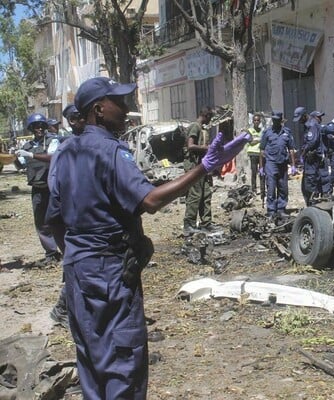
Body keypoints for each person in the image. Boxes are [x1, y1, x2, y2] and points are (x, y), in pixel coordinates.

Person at [45, 76, 250, 399]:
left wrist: (76, 254)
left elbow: (54, 220)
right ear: (99, 109)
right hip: (110, 272)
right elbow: (151, 201)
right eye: (120, 103)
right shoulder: (111, 151)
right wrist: (206, 167)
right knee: (122, 364)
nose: (127, 110)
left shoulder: (65, 153)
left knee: (91, 361)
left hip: (77, 271)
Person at [48, 104, 86, 330]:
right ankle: (63, 309)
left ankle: (65, 308)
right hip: (73, 216)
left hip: (85, 215)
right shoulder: (66, 149)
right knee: (75, 264)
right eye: (77, 117)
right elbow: (56, 186)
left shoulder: (92, 144)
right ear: (72, 121)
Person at [15, 113, 61, 264]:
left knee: (60, 219)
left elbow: (52, 157)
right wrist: (15, 158)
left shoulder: (52, 141)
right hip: (37, 188)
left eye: (42, 125)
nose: (39, 129)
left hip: (54, 187)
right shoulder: (27, 146)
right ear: (31, 128)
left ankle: (68, 251)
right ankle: (51, 253)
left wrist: (30, 155)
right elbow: (20, 164)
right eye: (36, 126)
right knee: (41, 222)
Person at [183, 107, 215, 235]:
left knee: (206, 194)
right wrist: (207, 148)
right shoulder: (195, 127)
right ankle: (189, 224)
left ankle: (206, 223)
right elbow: (190, 146)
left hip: (203, 166)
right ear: (206, 116)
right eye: (210, 118)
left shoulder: (203, 129)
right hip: (194, 166)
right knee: (195, 195)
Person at [259, 111, 296, 218]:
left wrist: (293, 165)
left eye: (277, 120)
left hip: (283, 164)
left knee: (283, 188)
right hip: (270, 163)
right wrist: (261, 167)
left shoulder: (287, 132)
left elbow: (291, 150)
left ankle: (281, 209)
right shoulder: (267, 132)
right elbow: (261, 150)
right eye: (273, 120)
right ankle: (271, 210)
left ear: (281, 121)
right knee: (271, 188)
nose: (275, 122)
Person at [294, 107, 330, 206]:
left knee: (310, 183)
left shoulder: (312, 124)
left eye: (300, 119)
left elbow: (312, 142)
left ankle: (312, 205)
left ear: (305, 115)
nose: (299, 121)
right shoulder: (308, 125)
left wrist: (303, 154)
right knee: (311, 182)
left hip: (313, 158)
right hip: (311, 158)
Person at [246, 113, 263, 194]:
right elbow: (251, 142)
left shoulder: (262, 131)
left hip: (261, 154)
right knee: (254, 172)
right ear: (252, 121)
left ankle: (262, 188)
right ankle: (254, 189)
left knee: (262, 171)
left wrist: (256, 139)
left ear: (260, 121)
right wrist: (259, 140)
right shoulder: (250, 131)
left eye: (258, 120)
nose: (256, 122)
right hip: (253, 154)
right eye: (255, 120)